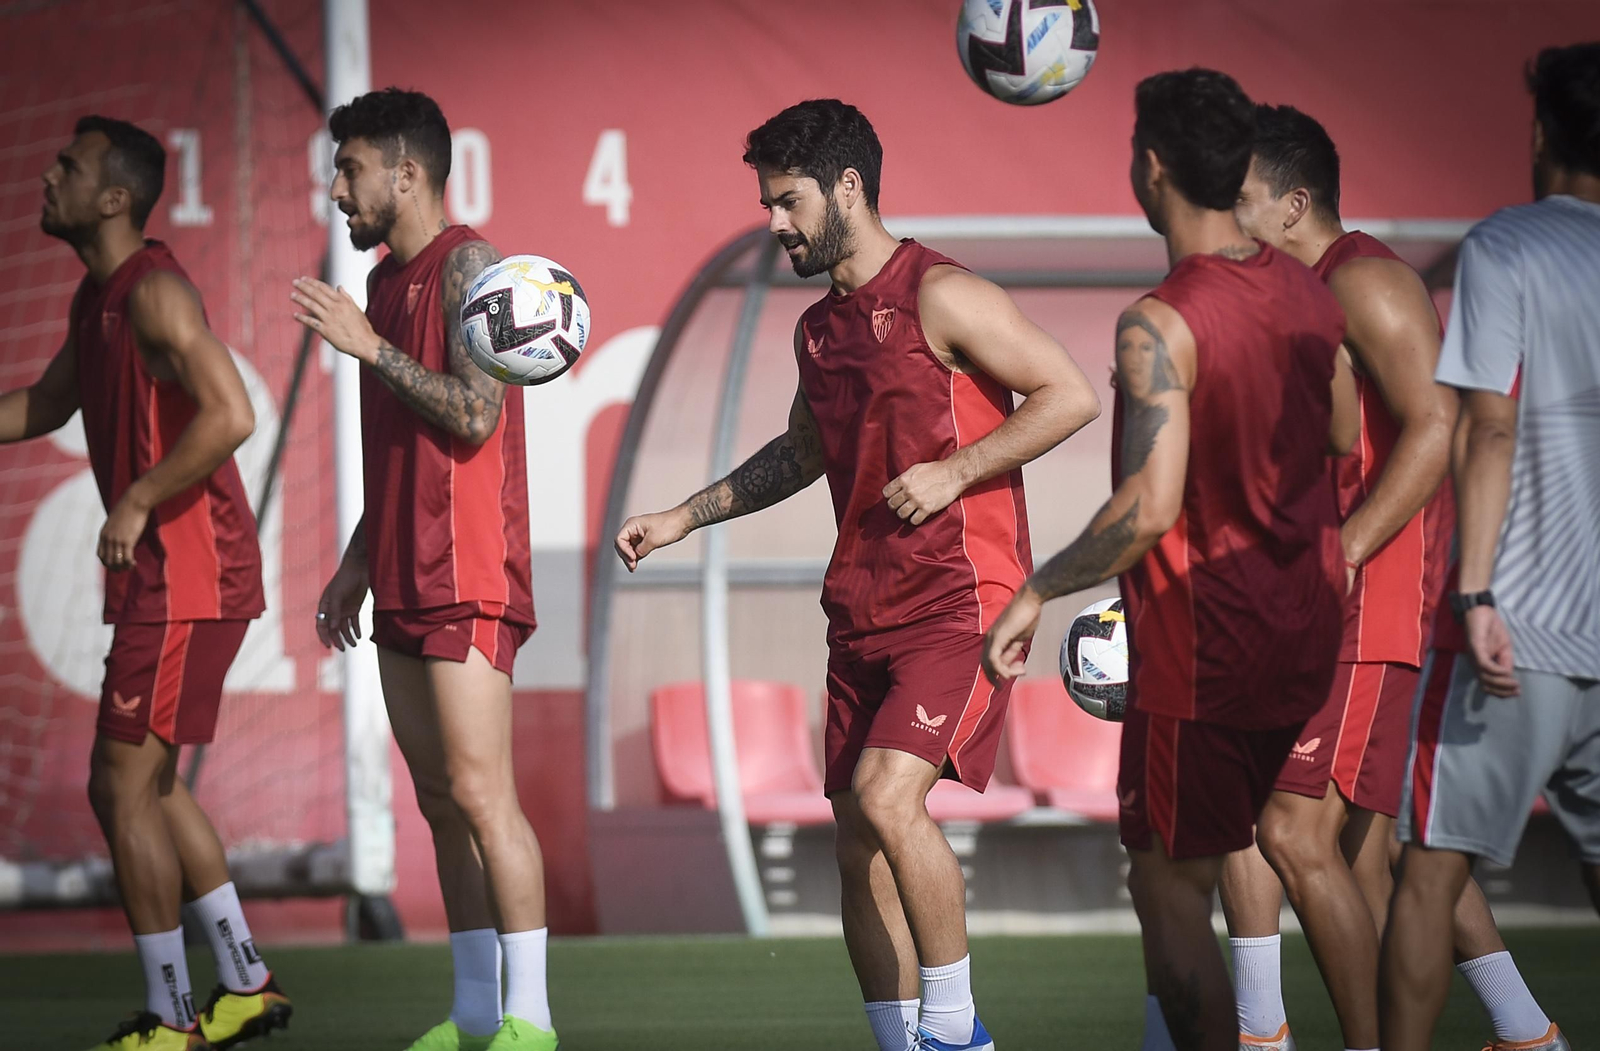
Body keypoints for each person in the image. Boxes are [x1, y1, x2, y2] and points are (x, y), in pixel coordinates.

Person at [614, 98, 1100, 1051]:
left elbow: (1070, 394)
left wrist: (958, 469)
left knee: (887, 796)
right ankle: (900, 1041)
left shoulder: (942, 293)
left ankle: (958, 1033)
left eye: (787, 201)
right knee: (855, 843)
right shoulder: (819, 330)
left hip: (961, 603)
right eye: (766, 203)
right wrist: (681, 517)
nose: (774, 223)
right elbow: (800, 453)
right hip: (862, 614)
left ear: (847, 186)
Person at [983, 69, 1355, 1051]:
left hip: (1205, 641)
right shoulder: (1313, 301)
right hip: (1312, 630)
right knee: (1302, 852)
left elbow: (1147, 509)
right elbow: (1344, 430)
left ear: (1150, 168)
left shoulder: (1161, 320)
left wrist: (1035, 589)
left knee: (1170, 881)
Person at [1221, 102, 1559, 1051]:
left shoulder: (1364, 280)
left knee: (1282, 830)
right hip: (1325, 607)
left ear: (1294, 204)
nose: (1222, 213)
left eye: (1238, 197)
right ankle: (1526, 1034)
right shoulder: (1287, 294)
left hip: (1370, 611)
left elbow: (1438, 428)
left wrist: (1346, 551)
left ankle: (1271, 1036)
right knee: (1375, 859)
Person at [3, 115, 289, 1051]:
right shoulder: (100, 298)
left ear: (115, 197)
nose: (49, 177)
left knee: (115, 787)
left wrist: (135, 501)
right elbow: (45, 406)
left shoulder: (155, 290)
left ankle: (174, 1021)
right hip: (176, 582)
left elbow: (233, 412)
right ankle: (244, 983)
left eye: (70, 167)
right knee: (153, 787)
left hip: (187, 578)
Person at [292, 88, 554, 1051]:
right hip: (401, 572)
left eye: (350, 168)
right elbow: (402, 444)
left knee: (486, 795)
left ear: (405, 172)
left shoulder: (472, 265)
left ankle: (533, 1018)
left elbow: (475, 414)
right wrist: (357, 562)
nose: (336, 189)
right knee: (441, 802)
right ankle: (476, 1012)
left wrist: (371, 348)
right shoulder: (382, 285)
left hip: (470, 569)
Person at [1381, 41, 1600, 1051]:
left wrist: (1472, 596)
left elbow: (1489, 426)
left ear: (1541, 132)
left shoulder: (1508, 244)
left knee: (1427, 867)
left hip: (1519, 627)